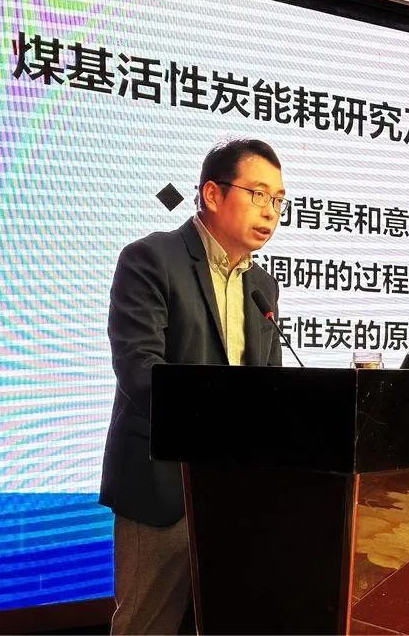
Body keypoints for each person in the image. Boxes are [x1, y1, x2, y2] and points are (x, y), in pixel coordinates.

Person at [99, 139, 287, 634]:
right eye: (258, 194)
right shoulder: (151, 259)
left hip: (237, 490)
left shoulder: (262, 286)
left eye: (278, 200)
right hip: (162, 485)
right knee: (148, 626)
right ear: (212, 194)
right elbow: (139, 370)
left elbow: (269, 387)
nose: (271, 211)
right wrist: (221, 425)